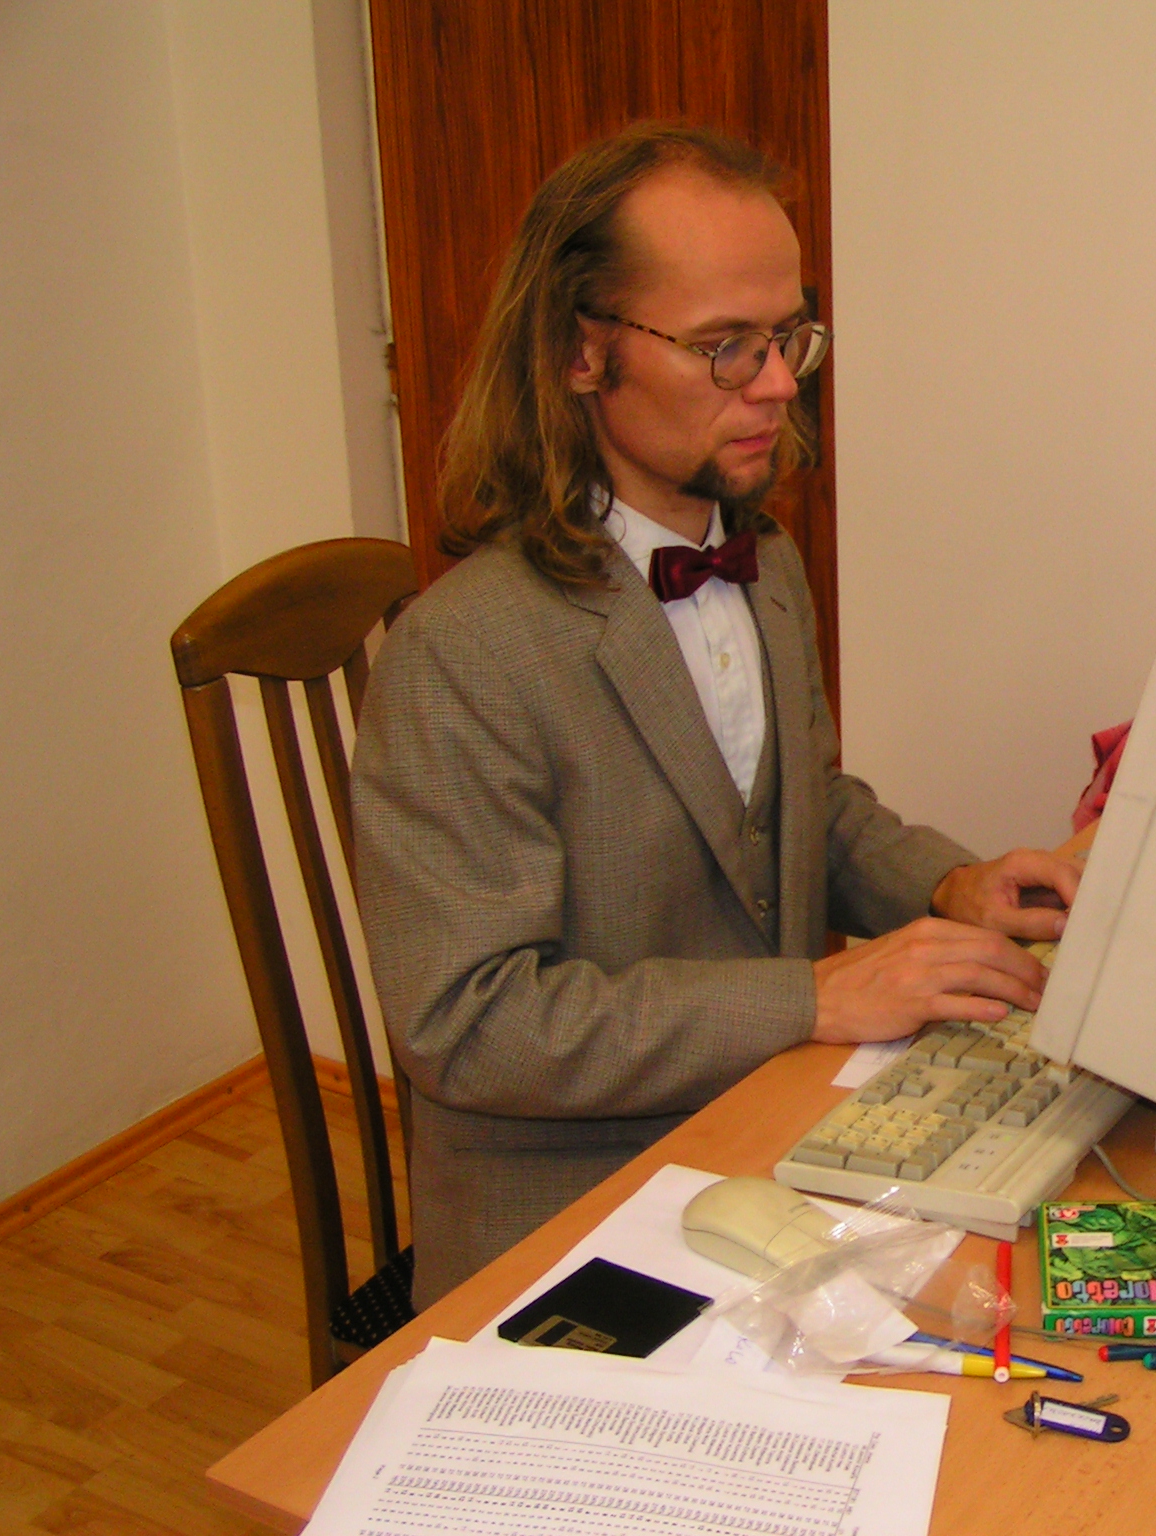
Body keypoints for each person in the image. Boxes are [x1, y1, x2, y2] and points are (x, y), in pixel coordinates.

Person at [352, 123, 1080, 1307]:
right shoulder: (464, 654)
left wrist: (949, 887)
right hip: (571, 1209)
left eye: (787, 337)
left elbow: (802, 811)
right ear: (581, 352)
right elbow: (470, 1025)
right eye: (724, 347)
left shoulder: (763, 561)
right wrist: (813, 997)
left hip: (761, 1130)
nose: (779, 384)